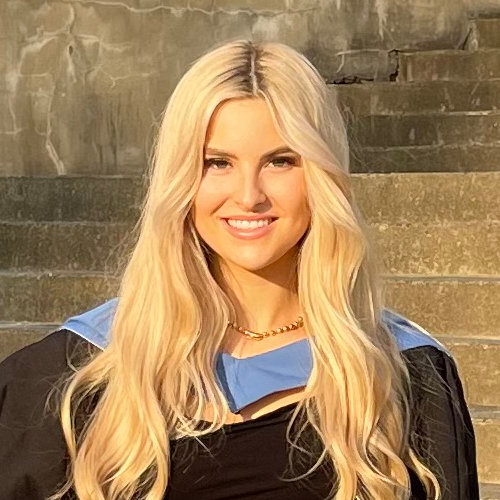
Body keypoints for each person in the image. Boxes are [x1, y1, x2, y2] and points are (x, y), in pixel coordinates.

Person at [0, 39, 479, 500]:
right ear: (180, 179)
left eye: (280, 161)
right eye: (218, 163)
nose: (249, 195)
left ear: (321, 176)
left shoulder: (403, 373)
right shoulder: (75, 371)